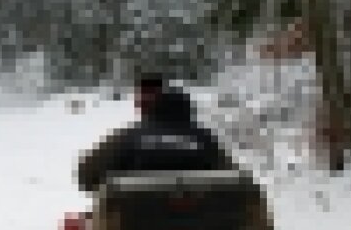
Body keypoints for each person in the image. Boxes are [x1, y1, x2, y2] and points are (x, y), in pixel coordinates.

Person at [76, 75, 234, 193]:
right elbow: (233, 178)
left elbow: (85, 176)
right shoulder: (206, 141)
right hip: (204, 222)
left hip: (133, 222)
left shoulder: (127, 139)